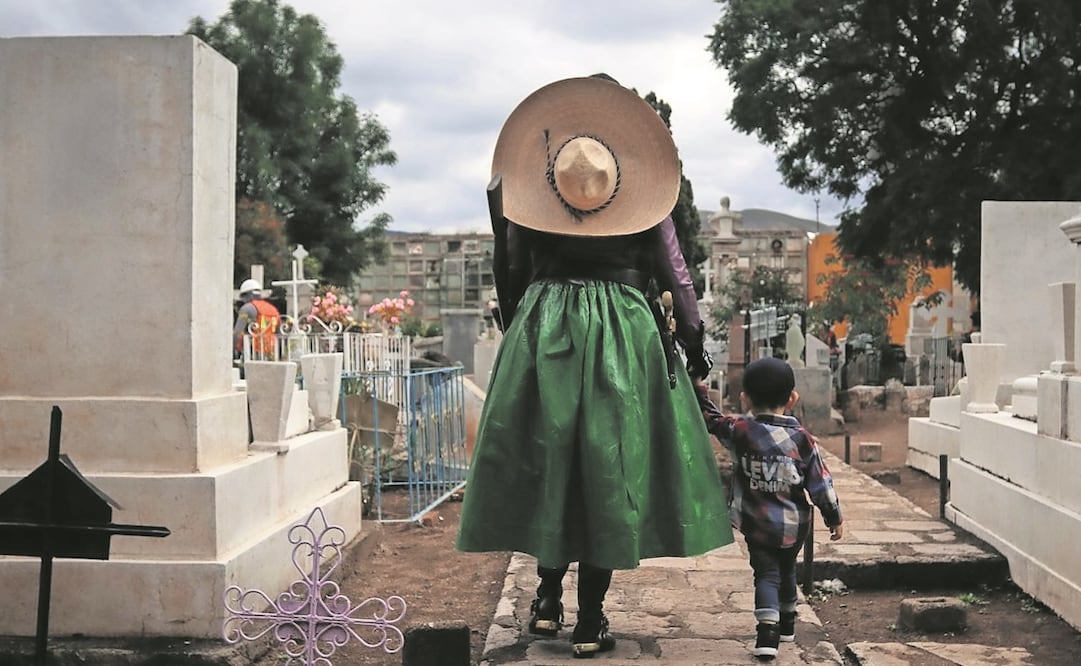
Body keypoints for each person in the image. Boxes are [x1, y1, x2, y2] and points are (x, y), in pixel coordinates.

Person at [455, 75, 733, 658]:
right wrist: (691, 342)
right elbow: (678, 276)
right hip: (622, 331)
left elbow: (510, 272)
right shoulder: (649, 207)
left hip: (546, 326)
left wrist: (518, 334)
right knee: (609, 470)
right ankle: (591, 621)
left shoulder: (530, 206)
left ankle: (548, 600)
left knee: (554, 464)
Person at [694, 357, 843, 661]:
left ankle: (767, 633)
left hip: (757, 523)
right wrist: (834, 517)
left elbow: (711, 420)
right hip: (795, 525)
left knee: (766, 574)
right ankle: (787, 624)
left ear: (744, 398)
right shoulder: (803, 440)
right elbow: (820, 484)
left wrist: (699, 391)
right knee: (788, 571)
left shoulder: (741, 431)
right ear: (792, 399)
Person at [233, 278, 280, 358]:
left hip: (254, 352)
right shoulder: (273, 309)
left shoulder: (246, 308)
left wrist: (231, 349)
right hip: (271, 352)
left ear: (247, 295)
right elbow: (279, 332)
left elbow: (238, 332)